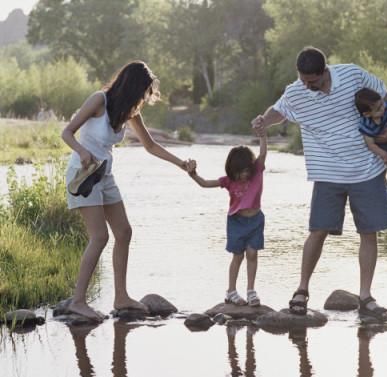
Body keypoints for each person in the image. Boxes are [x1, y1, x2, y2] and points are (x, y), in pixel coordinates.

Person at [251, 46, 387, 321]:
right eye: (303, 80)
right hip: (327, 173)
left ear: (325, 72)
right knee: (318, 231)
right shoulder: (296, 91)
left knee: (369, 232)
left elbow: (382, 92)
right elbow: (279, 110)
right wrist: (263, 121)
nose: (307, 85)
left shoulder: (352, 75)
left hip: (367, 168)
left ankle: (365, 297)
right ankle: (302, 291)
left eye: (312, 81)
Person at [62, 61, 192, 321]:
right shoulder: (99, 100)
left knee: (124, 232)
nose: (144, 98)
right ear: (132, 87)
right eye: (143, 92)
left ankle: (121, 296)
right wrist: (82, 151)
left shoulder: (129, 111)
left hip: (105, 176)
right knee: (99, 237)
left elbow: (151, 146)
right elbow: (66, 132)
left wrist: (182, 165)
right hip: (84, 175)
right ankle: (78, 301)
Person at [185, 133, 267, 307]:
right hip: (236, 222)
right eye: (238, 172)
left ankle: (251, 291)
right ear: (231, 170)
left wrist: (262, 135)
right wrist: (193, 174)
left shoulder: (257, 172)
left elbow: (263, 152)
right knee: (238, 256)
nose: (243, 175)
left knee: (252, 254)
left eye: (245, 171)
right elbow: (205, 183)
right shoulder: (229, 181)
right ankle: (231, 291)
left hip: (256, 220)